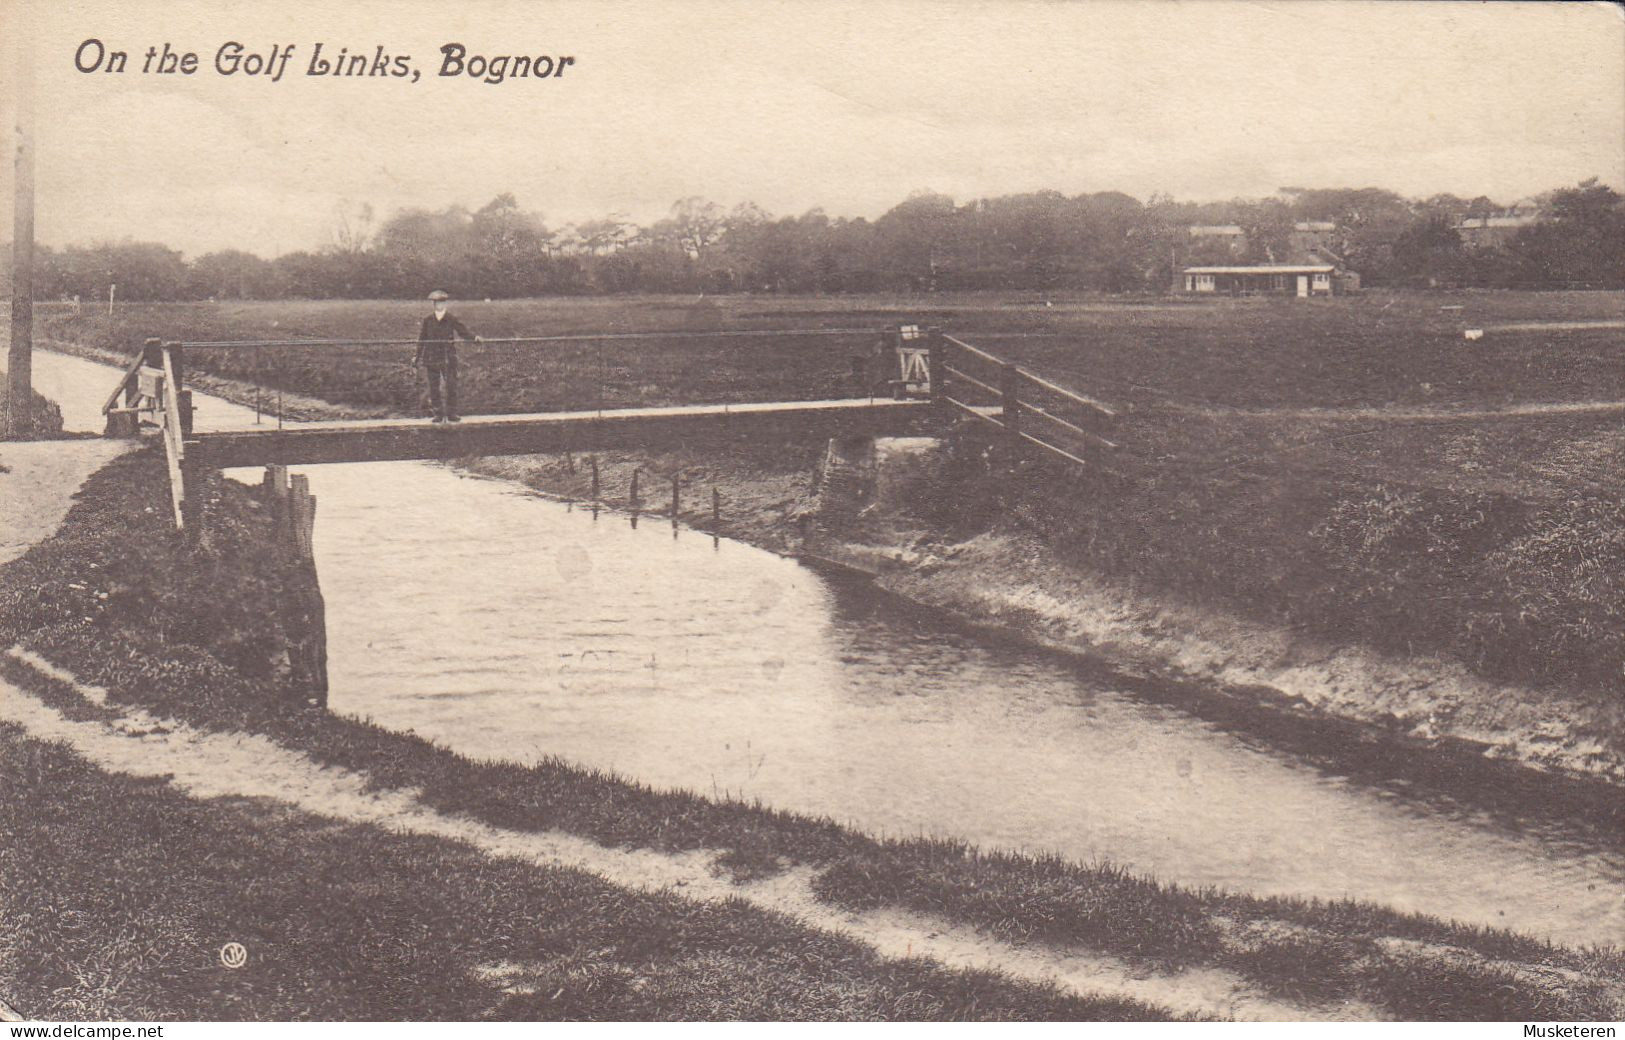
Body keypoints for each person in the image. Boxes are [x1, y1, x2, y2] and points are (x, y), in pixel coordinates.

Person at [413, 290, 481, 422]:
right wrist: (417, 356)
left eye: (442, 302)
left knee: (451, 385)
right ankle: (438, 414)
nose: (440, 304)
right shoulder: (428, 320)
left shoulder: (451, 318)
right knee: (434, 387)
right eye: (437, 302)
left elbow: (463, 331)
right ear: (433, 304)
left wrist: (474, 338)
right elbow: (422, 339)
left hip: (448, 357)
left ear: (445, 303)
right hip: (431, 358)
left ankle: (451, 413)